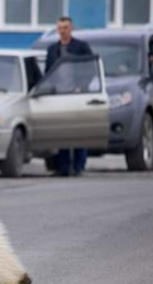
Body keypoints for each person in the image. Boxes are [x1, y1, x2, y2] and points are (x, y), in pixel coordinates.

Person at [45, 16, 93, 177]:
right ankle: (63, 167)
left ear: (71, 28)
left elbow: (90, 69)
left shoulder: (81, 47)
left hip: (77, 95)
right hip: (59, 96)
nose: (62, 31)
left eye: (65, 28)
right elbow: (48, 72)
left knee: (79, 131)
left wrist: (82, 87)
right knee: (62, 132)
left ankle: (79, 166)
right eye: (60, 28)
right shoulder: (53, 49)